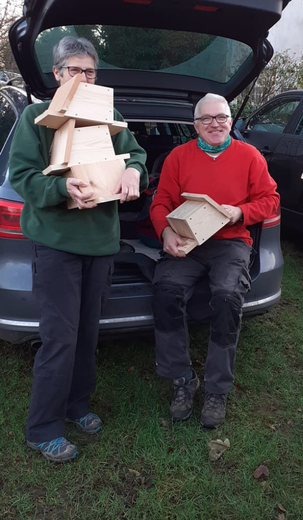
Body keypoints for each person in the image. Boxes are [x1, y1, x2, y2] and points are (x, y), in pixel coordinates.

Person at [9, 36, 148, 462]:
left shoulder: (109, 116)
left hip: (100, 244)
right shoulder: (36, 117)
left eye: (90, 71)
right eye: (75, 70)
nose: (84, 77)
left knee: (88, 334)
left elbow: (136, 153)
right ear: (57, 74)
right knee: (59, 337)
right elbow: (22, 176)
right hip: (57, 245)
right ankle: (42, 428)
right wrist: (61, 186)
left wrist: (134, 173)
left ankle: (76, 405)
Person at [150, 93, 279, 428]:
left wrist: (241, 212)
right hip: (189, 241)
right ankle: (182, 379)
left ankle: (217, 390)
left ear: (231, 121)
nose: (215, 124)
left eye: (221, 117)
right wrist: (165, 232)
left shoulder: (249, 156)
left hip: (230, 241)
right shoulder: (178, 157)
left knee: (226, 297)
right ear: (195, 126)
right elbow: (161, 201)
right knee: (165, 291)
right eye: (206, 119)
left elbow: (270, 199)